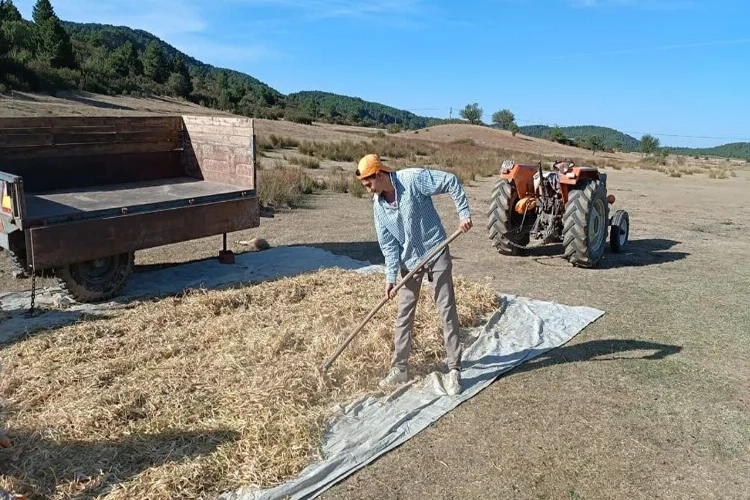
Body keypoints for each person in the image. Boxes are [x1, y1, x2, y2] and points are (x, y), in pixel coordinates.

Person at [355, 153, 472, 396]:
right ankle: (400, 368)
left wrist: (463, 214)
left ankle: (454, 370)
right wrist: (390, 278)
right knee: (404, 313)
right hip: (410, 262)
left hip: (436, 249)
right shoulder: (379, 207)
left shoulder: (413, 179)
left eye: (369, 184)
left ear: (379, 174)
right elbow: (388, 246)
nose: (368, 190)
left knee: (446, 308)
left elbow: (451, 181)